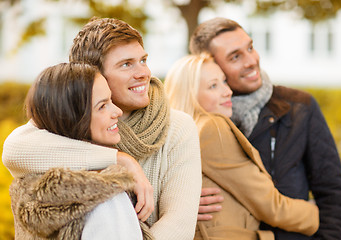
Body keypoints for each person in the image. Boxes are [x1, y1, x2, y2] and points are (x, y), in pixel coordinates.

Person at [2, 17, 202, 240]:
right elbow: (14, 150)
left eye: (143, 60)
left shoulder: (178, 127)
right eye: (126, 64)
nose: (144, 73)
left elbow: (178, 224)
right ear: (91, 75)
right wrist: (120, 160)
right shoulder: (69, 126)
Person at [189, 17, 341, 240]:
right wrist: (183, 204)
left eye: (250, 48)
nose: (251, 61)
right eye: (235, 57)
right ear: (212, 65)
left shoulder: (298, 107)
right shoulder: (199, 122)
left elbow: (332, 192)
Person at [164, 53, 319, 240]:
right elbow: (269, 204)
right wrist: (315, 214)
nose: (227, 91)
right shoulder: (213, 128)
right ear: (190, 95)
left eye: (223, 82)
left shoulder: (183, 132)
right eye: (213, 86)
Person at [5, 62, 152, 239]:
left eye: (111, 100)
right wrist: (121, 160)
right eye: (102, 106)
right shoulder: (106, 197)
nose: (118, 111)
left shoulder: (31, 191)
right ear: (72, 119)